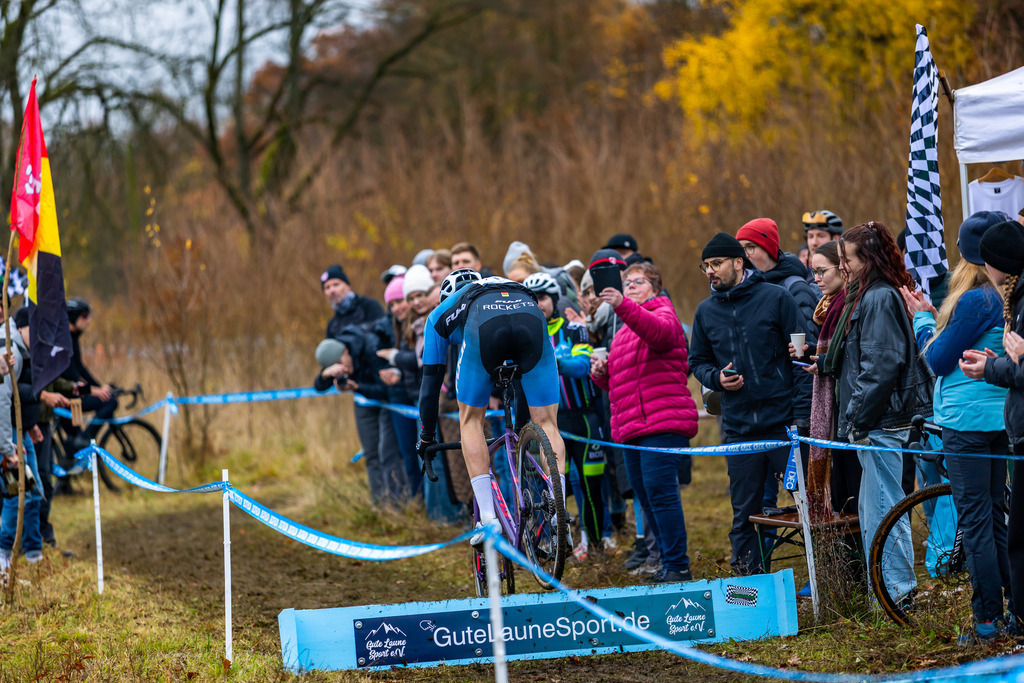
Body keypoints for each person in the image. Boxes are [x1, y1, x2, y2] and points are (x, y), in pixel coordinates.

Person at [901, 211, 1010, 643]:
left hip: (965, 423)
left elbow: (938, 360)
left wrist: (924, 320)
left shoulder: (975, 298)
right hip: (1000, 418)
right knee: (996, 518)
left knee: (977, 521)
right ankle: (1012, 611)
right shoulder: (1006, 294)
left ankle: (987, 620)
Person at [417, 269, 566, 546]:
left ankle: (487, 518)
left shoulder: (439, 315)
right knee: (547, 423)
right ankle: (559, 510)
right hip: (530, 313)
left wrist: (426, 437)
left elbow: (430, 386)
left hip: (483, 325)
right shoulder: (505, 283)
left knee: (470, 420)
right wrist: (524, 425)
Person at [689, 233, 808, 575]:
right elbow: (697, 360)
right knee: (745, 514)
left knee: (811, 504)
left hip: (785, 424)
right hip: (739, 429)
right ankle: (749, 590)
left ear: (739, 263)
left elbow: (801, 360)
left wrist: (801, 419)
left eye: (716, 263)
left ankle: (827, 581)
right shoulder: (705, 311)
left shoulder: (777, 298)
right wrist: (716, 379)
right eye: (706, 266)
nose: (710, 271)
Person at [831, 221, 930, 602]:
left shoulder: (878, 298)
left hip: (882, 423)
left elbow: (880, 366)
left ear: (867, 260)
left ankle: (897, 594)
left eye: (847, 260)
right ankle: (885, 594)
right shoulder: (868, 294)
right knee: (877, 512)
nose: (842, 267)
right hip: (875, 422)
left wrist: (856, 419)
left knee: (886, 512)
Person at [591, 261, 698, 583]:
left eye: (637, 282)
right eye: (627, 284)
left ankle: (678, 565)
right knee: (646, 496)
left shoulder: (663, 314)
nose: (631, 287)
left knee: (661, 494)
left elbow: (661, 335)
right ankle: (665, 562)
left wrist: (621, 305)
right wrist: (601, 374)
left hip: (662, 424)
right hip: (631, 428)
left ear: (656, 287)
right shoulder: (625, 332)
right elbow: (621, 382)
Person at [959, 219, 1024, 635]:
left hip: (976, 425)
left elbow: (938, 356)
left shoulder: (994, 300)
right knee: (1004, 523)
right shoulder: (1010, 298)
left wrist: (992, 368)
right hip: (1008, 427)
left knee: (996, 526)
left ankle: (1005, 617)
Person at [524, 272, 605, 560]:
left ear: (555, 300)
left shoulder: (572, 329)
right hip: (546, 422)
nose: (538, 304)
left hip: (581, 418)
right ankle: (554, 546)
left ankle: (595, 547)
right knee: (552, 488)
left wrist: (551, 361)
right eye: (532, 299)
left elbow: (583, 366)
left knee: (590, 486)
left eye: (543, 298)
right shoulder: (526, 334)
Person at [317, 264, 405, 506]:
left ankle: (398, 503)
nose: (332, 291)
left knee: (389, 451)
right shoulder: (333, 325)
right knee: (372, 453)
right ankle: (380, 504)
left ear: (347, 285)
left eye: (336, 284)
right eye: (327, 287)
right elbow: (322, 375)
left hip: (382, 388)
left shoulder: (371, 308)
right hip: (362, 396)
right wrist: (330, 374)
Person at [61, 298, 118, 451]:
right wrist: (93, 390)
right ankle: (85, 439)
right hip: (66, 397)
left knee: (73, 442)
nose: (88, 320)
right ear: (73, 317)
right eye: (84, 316)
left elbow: (80, 368)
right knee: (110, 403)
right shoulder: (65, 340)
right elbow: (71, 376)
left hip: (72, 395)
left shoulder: (72, 337)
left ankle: (77, 446)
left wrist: (100, 387)